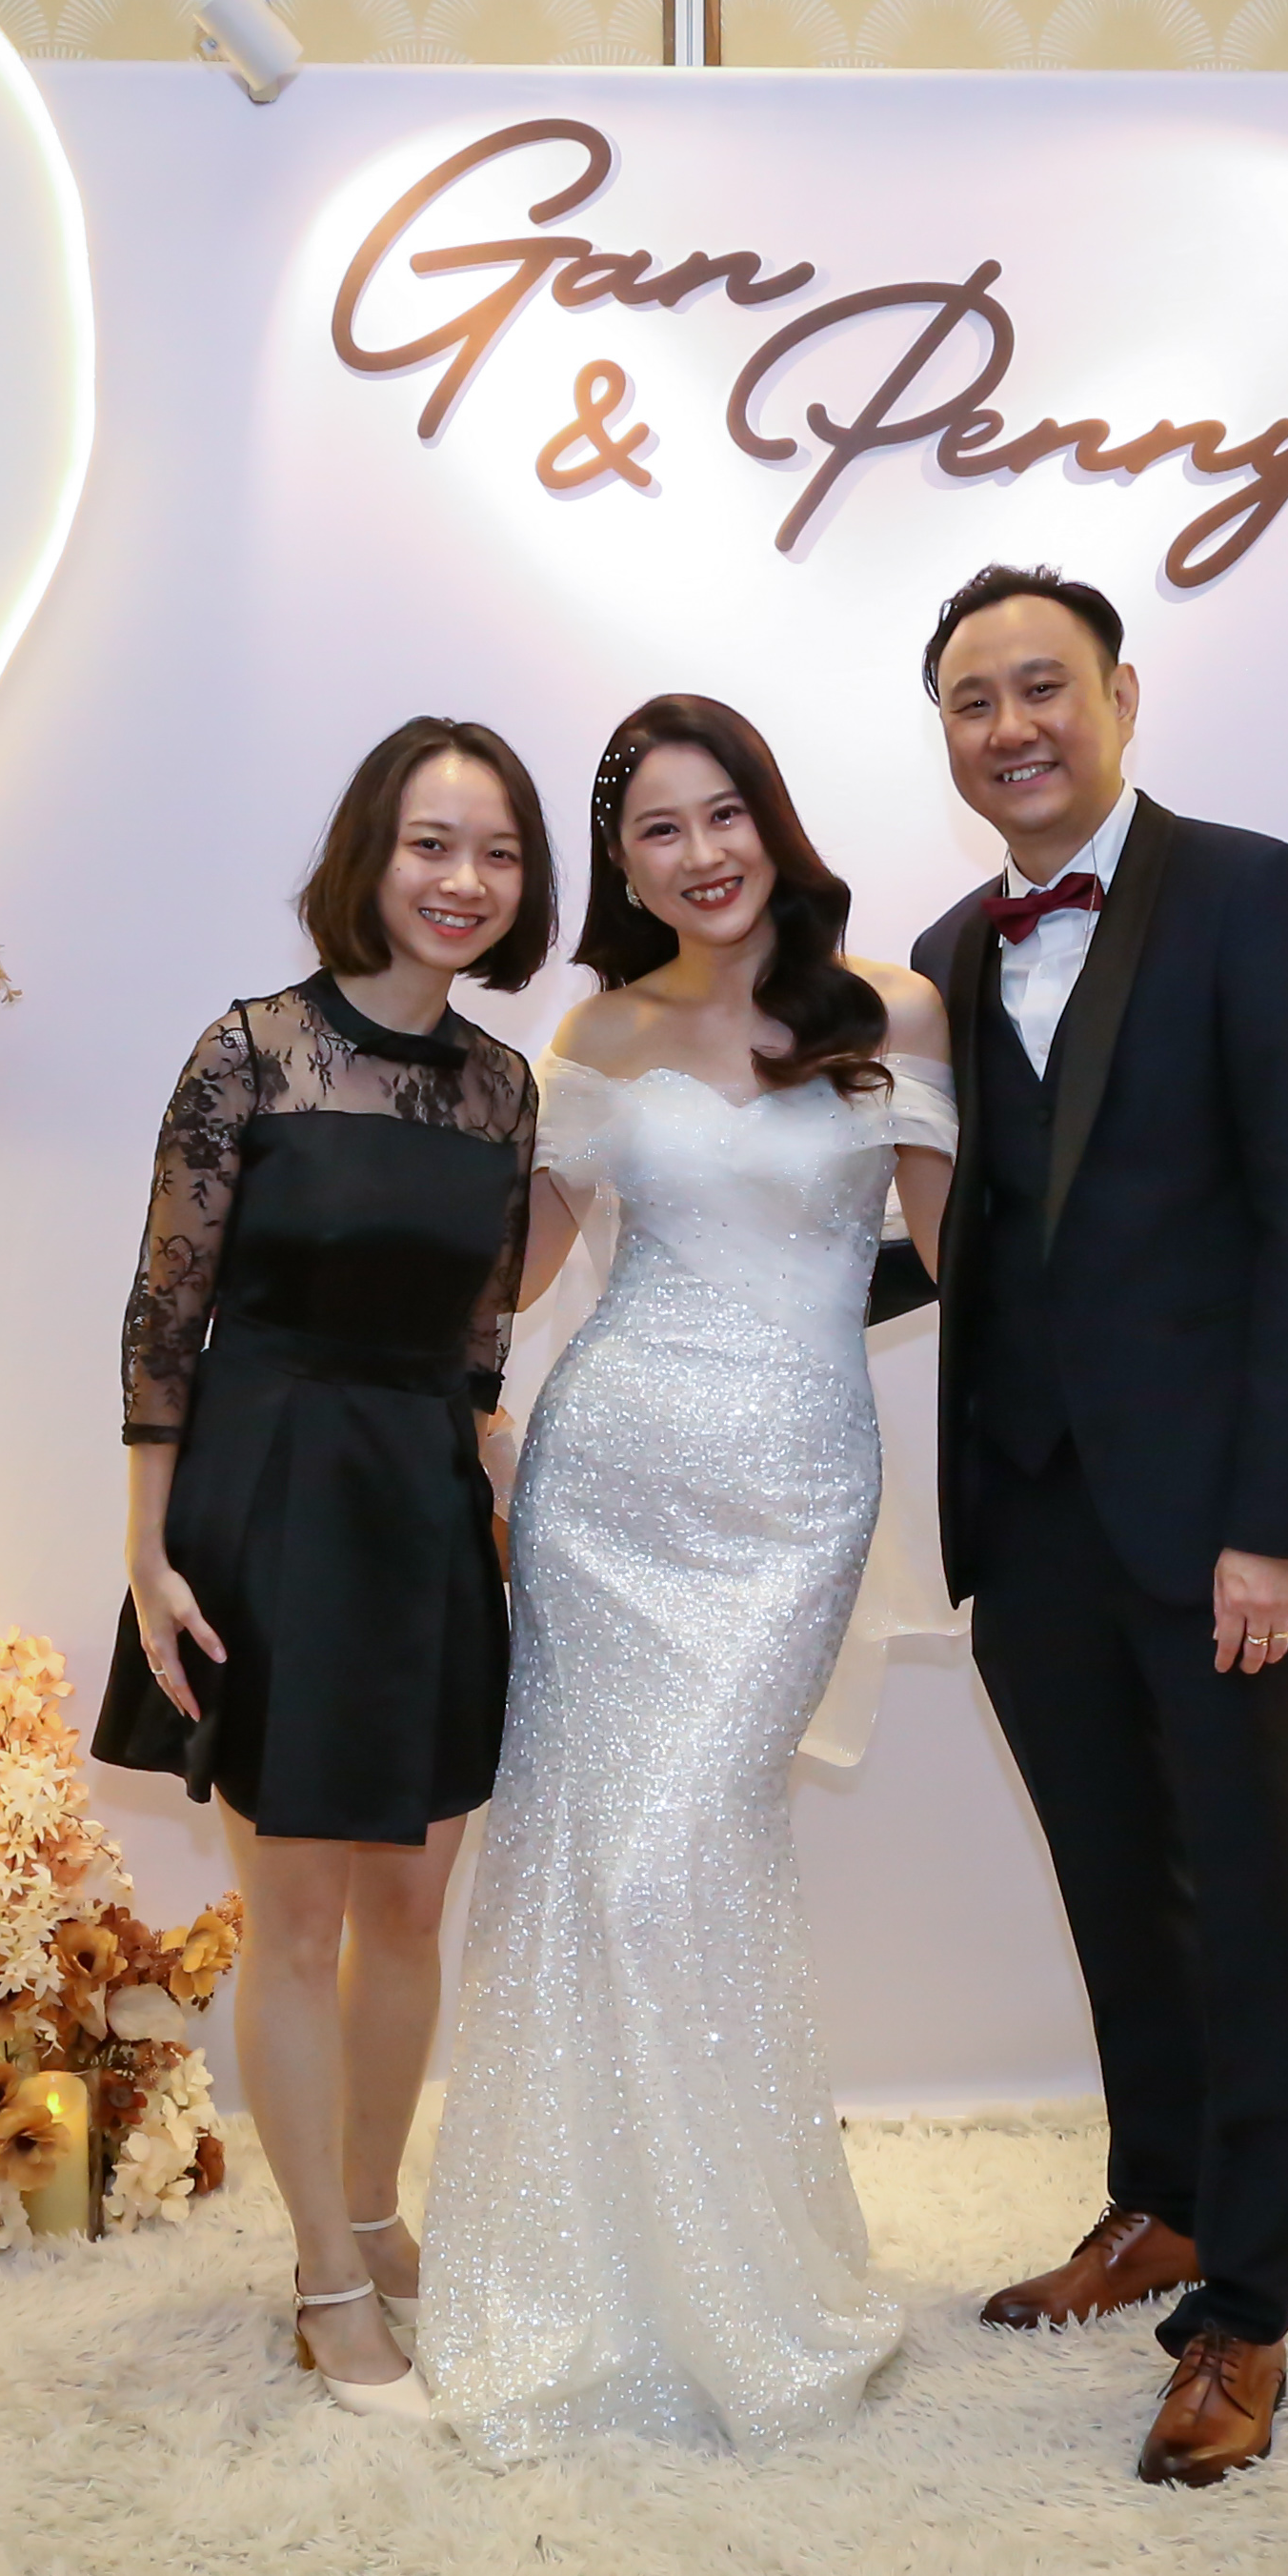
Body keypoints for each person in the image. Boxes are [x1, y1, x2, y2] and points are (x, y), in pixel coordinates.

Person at [902, 564, 1288, 2487]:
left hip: (1223, 1515)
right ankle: (1163, 2199)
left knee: (1250, 1893)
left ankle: (1247, 2309)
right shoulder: (942, 956)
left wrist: (1278, 1521)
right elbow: (953, 1232)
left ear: (1121, 696)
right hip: (1029, 1504)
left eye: (1043, 685)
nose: (1011, 726)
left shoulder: (1255, 894)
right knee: (1117, 1884)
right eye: (972, 701)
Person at [414, 693, 954, 2461]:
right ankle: (591, 2281)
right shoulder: (596, 1030)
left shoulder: (890, 1010)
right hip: (605, 1488)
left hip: (793, 1491)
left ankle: (745, 2282)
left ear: (771, 821)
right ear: (624, 864)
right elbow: (503, 1275)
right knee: (585, 1866)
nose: (701, 852)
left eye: (725, 813)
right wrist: (399, 1385)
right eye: (659, 827)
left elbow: (974, 1264)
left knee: (679, 1861)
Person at [89, 716, 554, 2421]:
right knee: (295, 1915)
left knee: (412, 1902)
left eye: (496, 852)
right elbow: (165, 1310)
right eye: (432, 842)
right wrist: (147, 1544)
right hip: (269, 1496)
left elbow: (482, 1329)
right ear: (370, 852)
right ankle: (324, 2278)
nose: (462, 879)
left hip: (422, 1505)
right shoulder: (252, 1051)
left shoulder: (502, 1087)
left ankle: (371, 2204)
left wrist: (495, 1475)